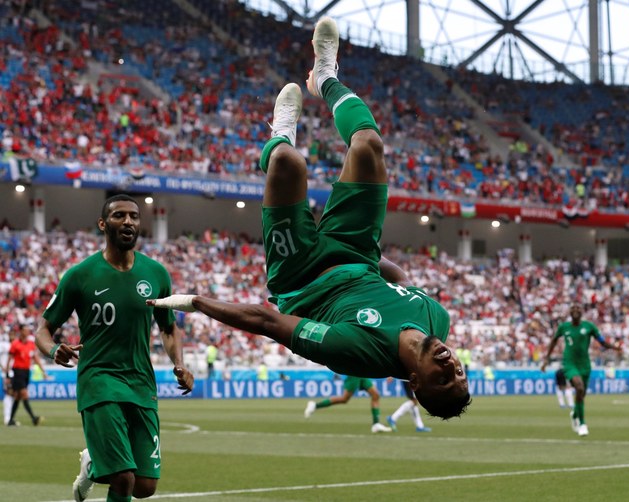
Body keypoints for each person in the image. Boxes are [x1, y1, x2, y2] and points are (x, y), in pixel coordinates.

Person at [149, 17, 470, 421]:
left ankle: (280, 132)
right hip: (354, 252)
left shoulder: (358, 353)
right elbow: (403, 281)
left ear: (416, 384)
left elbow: (269, 320)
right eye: (459, 371)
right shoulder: (437, 317)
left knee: (287, 162)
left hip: (299, 277)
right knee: (369, 145)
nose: (450, 365)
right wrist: (372, 260)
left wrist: (196, 301)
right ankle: (325, 77)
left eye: (443, 379)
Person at [35, 194, 194, 502]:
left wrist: (180, 363)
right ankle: (104, 466)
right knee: (123, 479)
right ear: (103, 224)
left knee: (145, 487)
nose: (128, 222)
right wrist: (53, 349)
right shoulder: (80, 275)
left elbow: (168, 327)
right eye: (119, 215)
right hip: (100, 380)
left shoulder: (157, 274)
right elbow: (43, 329)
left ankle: (93, 465)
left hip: (141, 382)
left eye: (134, 216)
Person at [541, 303, 621, 437]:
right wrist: (546, 359)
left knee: (581, 394)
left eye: (578, 308)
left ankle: (575, 414)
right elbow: (553, 341)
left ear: (582, 311)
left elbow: (601, 342)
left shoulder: (589, 327)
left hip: (585, 364)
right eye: (573, 308)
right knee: (578, 387)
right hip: (569, 363)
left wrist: (615, 348)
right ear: (570, 312)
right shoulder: (564, 327)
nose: (576, 310)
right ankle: (582, 424)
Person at [304, 375, 392, 433]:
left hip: (362, 373)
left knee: (375, 395)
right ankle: (315, 405)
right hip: (354, 373)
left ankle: (376, 424)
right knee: (344, 399)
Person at [4, 324, 46, 426]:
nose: (27, 332)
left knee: (18, 397)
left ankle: (10, 420)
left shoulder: (31, 344)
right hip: (18, 371)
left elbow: (35, 358)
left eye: (28, 330)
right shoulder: (15, 344)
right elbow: (9, 359)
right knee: (24, 394)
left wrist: (43, 371)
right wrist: (7, 375)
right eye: (25, 330)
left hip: (26, 372)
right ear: (21, 331)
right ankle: (33, 418)